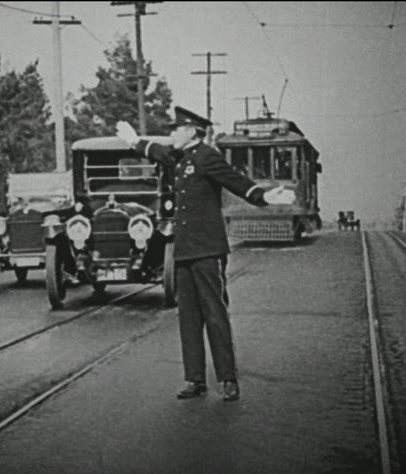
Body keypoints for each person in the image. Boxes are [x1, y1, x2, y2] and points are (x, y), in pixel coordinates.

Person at [116, 107, 288, 401]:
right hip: (184, 251)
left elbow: (235, 180)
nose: (171, 134)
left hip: (208, 250)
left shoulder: (207, 156)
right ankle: (194, 379)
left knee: (215, 313)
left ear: (191, 132)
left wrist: (263, 196)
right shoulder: (179, 159)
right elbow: (158, 152)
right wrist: (135, 141)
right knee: (189, 317)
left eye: (175, 129)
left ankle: (228, 379)